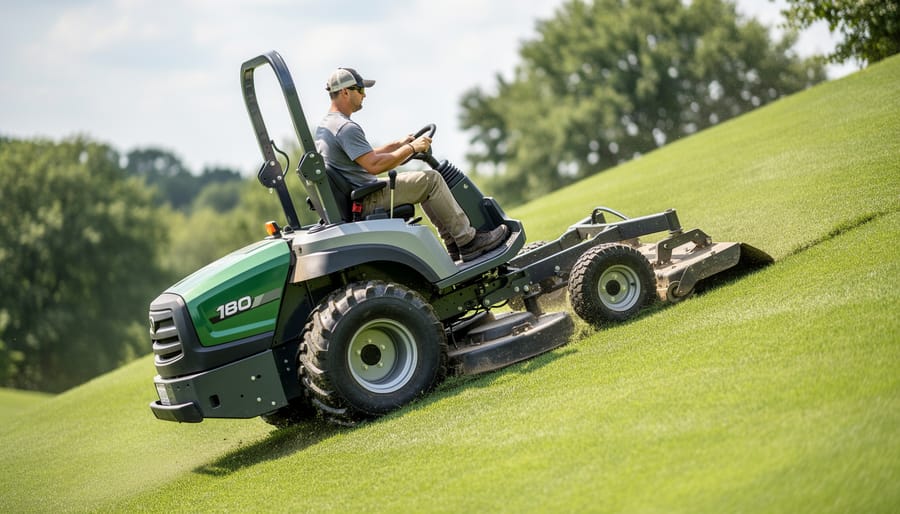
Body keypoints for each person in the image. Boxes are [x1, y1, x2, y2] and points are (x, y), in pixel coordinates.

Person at [314, 67, 508, 262]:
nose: (364, 95)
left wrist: (398, 145)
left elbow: (364, 155)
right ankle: (468, 242)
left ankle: (453, 245)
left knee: (423, 184)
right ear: (346, 92)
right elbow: (374, 165)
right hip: (368, 198)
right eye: (360, 89)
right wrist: (413, 148)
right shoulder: (346, 128)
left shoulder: (329, 125)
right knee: (431, 180)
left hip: (358, 195)